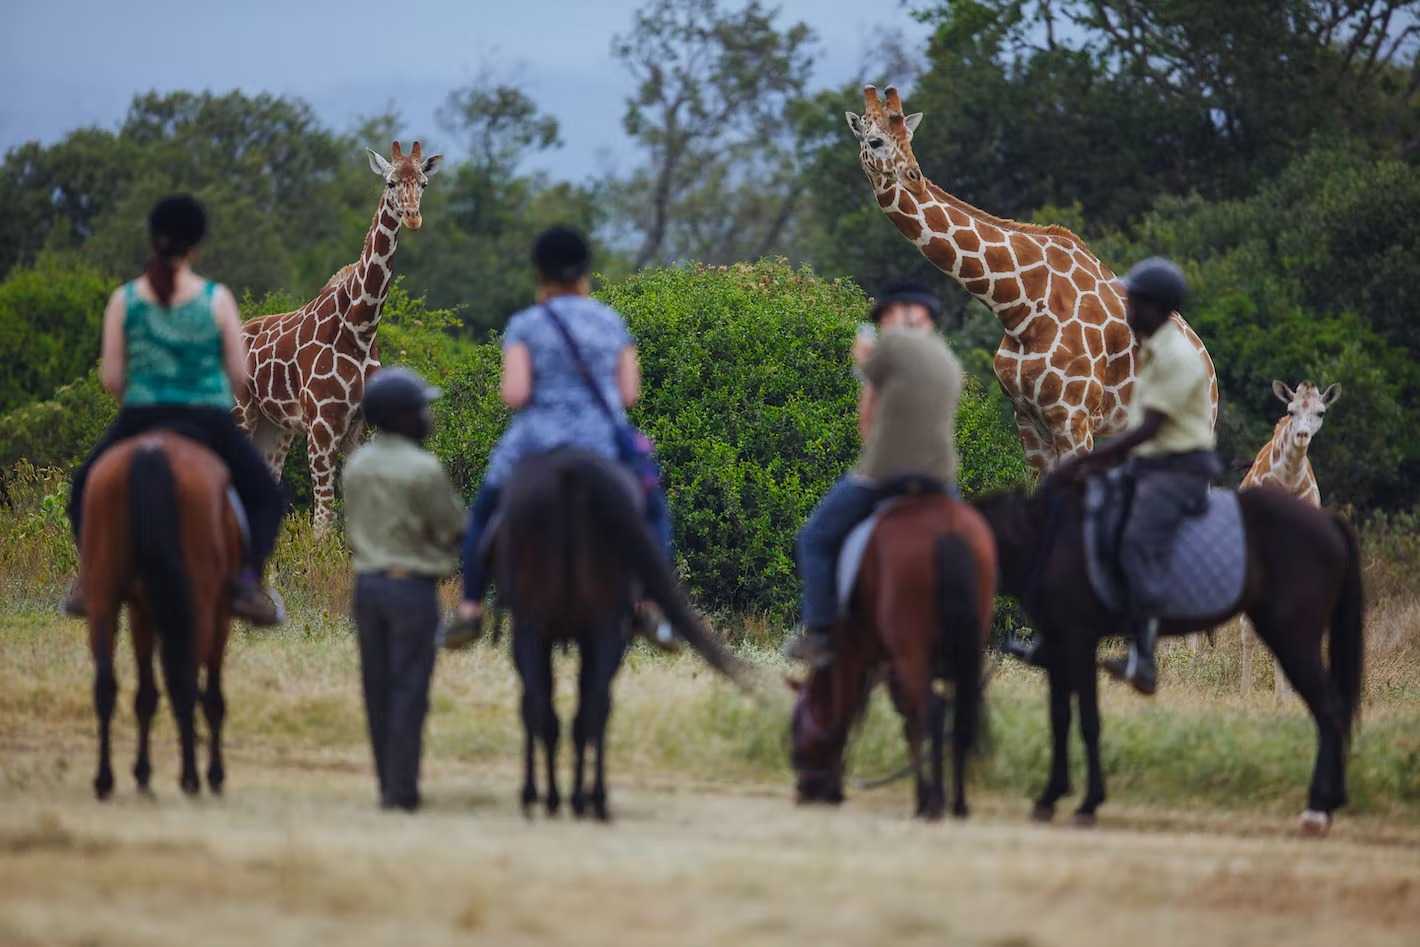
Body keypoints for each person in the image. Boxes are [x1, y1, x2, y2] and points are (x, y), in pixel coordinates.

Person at [443, 226, 675, 649]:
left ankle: (471, 609)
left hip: (537, 441)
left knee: (482, 512)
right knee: (654, 510)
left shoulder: (526, 324)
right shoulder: (610, 321)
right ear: (585, 270)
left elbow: (514, 395)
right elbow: (630, 394)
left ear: (540, 272)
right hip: (602, 443)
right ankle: (651, 606)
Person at [63, 195, 285, 626]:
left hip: (140, 416)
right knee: (267, 498)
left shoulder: (124, 300)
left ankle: (90, 579)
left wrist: (149, 393)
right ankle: (248, 584)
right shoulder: (216, 299)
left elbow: (110, 378)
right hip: (206, 419)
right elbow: (241, 375)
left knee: (82, 488)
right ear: (196, 246)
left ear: (152, 240)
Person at [1018, 257, 1220, 695]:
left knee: (1135, 540)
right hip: (1149, 465)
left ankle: (1143, 657)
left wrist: (1081, 462)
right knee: (1079, 524)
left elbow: (1145, 429)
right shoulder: (1149, 349)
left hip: (1179, 468)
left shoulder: (1178, 357)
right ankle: (1057, 638)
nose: (1124, 306)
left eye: (1133, 300)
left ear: (1155, 306)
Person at [783, 280, 964, 668]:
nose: (883, 323)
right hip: (942, 478)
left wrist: (863, 354)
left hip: (886, 471)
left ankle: (820, 633)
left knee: (815, 538)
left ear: (906, 313)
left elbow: (866, 382)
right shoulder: (950, 358)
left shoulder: (892, 344)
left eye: (885, 315)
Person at [342, 367, 466, 812]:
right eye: (420, 408)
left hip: (367, 587)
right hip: (411, 591)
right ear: (401, 416)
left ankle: (384, 785)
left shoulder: (355, 465)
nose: (426, 415)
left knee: (375, 687)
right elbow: (453, 527)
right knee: (409, 687)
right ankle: (403, 788)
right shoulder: (423, 468)